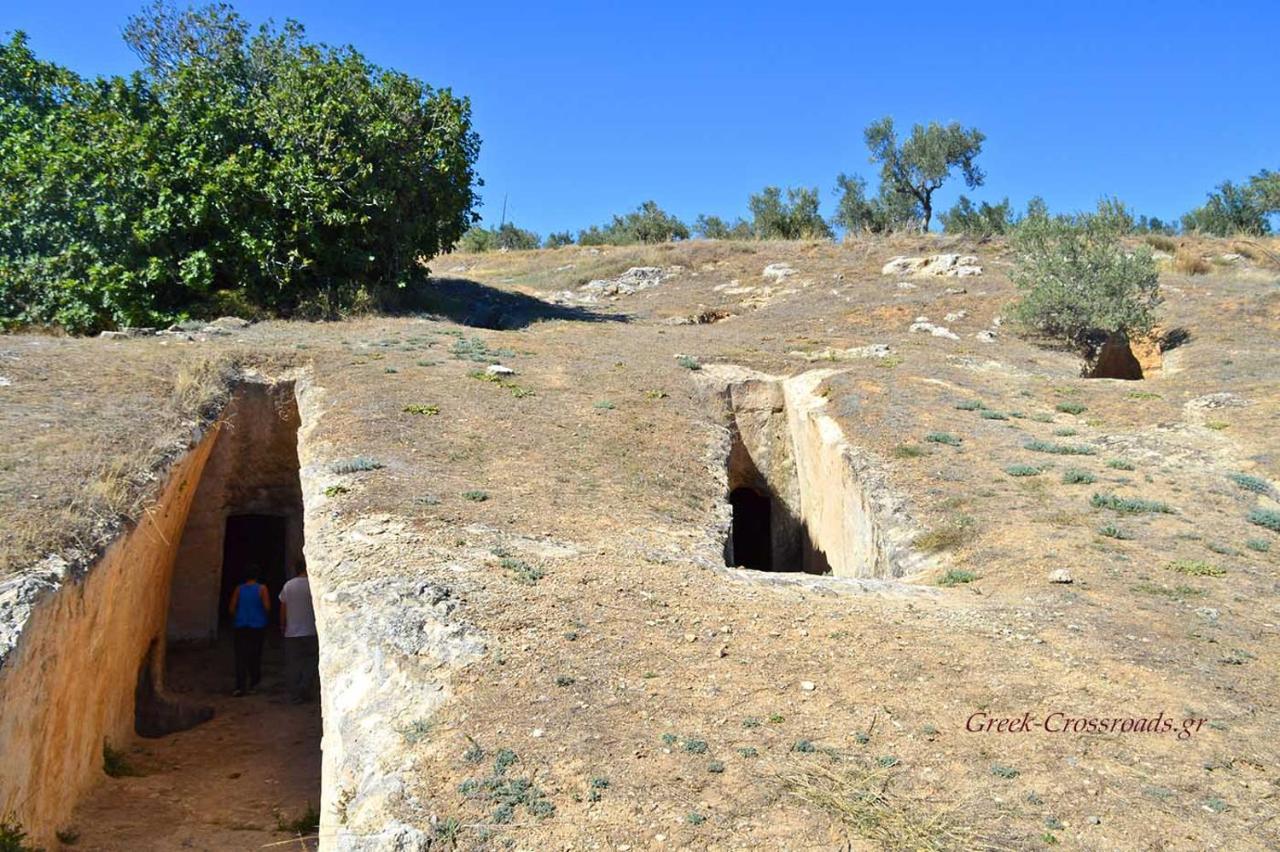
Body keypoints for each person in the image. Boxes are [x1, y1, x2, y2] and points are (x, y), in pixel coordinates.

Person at [279, 561, 318, 704]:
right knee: (311, 661)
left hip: (292, 632)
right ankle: (304, 688)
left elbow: (283, 608)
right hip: (311, 630)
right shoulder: (313, 585)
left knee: (294, 664)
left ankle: (295, 694)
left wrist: (283, 626)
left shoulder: (288, 586)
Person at [228, 567, 270, 696]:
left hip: (241, 626)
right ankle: (253, 685)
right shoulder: (262, 589)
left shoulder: (239, 589)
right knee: (255, 655)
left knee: (241, 656)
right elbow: (267, 607)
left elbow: (231, 608)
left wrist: (240, 616)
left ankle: (240, 686)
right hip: (257, 626)